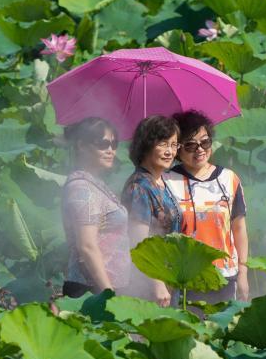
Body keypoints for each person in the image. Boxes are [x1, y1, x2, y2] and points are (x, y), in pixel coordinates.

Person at [165, 110, 250, 303]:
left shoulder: (229, 179)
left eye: (205, 142)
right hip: (183, 277)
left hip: (225, 274)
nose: (200, 150)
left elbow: (239, 228)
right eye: (190, 145)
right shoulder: (166, 181)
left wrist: (243, 272)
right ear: (178, 149)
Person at [60, 117, 131, 298]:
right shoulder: (81, 188)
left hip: (107, 285)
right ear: (81, 145)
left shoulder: (95, 184)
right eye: (102, 144)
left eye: (114, 144)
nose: (110, 151)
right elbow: (87, 246)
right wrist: (108, 293)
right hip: (92, 288)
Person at [121, 115, 182, 306]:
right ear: (146, 145)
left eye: (174, 145)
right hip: (150, 281)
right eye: (163, 144)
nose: (170, 151)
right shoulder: (139, 187)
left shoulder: (161, 182)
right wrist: (156, 283)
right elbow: (139, 241)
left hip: (169, 275)